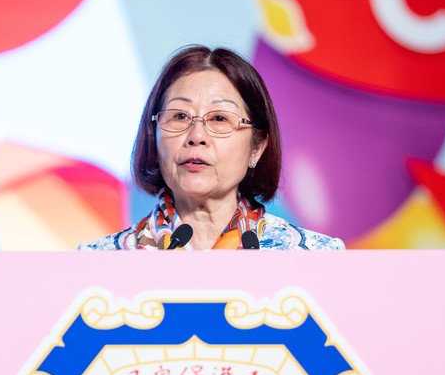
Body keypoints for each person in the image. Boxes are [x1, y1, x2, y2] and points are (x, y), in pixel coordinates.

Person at [79, 45, 343, 251]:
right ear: (154, 135)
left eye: (219, 119)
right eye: (180, 116)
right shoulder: (98, 265)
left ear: (257, 147)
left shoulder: (314, 259)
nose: (196, 136)